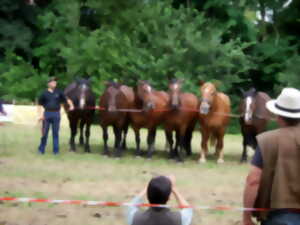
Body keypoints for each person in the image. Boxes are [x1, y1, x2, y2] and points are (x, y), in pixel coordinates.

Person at [243, 87, 300, 225]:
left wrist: (246, 217)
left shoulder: (267, 140)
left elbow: (253, 180)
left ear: (278, 116)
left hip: (278, 216)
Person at [126, 175, 193, 225]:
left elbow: (131, 205)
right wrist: (173, 188)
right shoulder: (179, 219)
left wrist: (147, 187)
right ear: (169, 197)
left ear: (147, 195)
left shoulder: (135, 218)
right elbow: (188, 209)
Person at [37, 77, 74, 154]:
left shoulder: (59, 92)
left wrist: (71, 105)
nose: (55, 83)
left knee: (55, 133)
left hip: (56, 114)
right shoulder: (44, 93)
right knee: (44, 133)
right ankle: (41, 149)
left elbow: (67, 99)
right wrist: (40, 115)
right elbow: (39, 105)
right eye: (53, 82)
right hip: (47, 114)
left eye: (55, 82)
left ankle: (56, 151)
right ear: (49, 84)